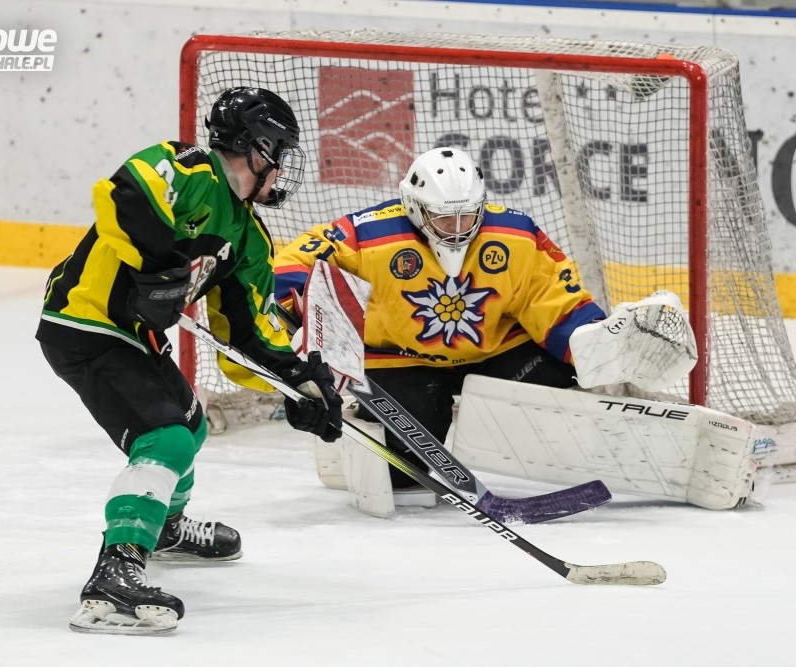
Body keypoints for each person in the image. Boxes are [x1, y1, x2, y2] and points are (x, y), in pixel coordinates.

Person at [37, 86, 343, 635]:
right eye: (280, 153)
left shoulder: (248, 237)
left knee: (192, 424)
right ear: (258, 149)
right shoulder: (191, 169)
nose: (282, 169)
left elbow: (247, 332)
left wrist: (296, 382)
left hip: (133, 336)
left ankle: (165, 528)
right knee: (166, 439)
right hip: (84, 321)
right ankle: (115, 570)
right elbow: (127, 192)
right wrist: (159, 266)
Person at [273, 146, 608, 491]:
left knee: (558, 378)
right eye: (444, 217)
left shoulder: (516, 235)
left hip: (493, 355)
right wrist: (306, 321)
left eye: (468, 215)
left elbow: (553, 298)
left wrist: (597, 342)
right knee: (400, 473)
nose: (458, 228)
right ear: (414, 207)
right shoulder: (368, 235)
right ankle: (356, 426)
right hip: (400, 360)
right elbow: (292, 265)